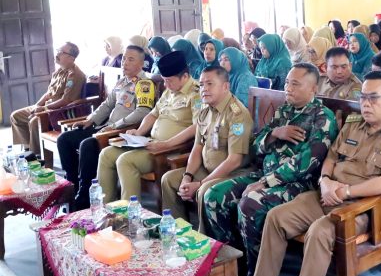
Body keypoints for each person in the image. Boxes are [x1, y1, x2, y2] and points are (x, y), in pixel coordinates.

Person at [243, 71, 381, 276]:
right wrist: (324, 181)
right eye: (363, 97)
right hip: (327, 194)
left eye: (373, 98)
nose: (366, 104)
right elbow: (331, 157)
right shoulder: (353, 125)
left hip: (360, 208)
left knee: (319, 231)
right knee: (276, 217)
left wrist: (346, 191)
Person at [203, 64, 338, 276]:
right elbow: (255, 147)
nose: (288, 88)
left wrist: (266, 182)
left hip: (298, 185)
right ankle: (237, 265)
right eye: (287, 82)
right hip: (263, 175)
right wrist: (275, 133)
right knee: (214, 195)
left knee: (251, 204)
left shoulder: (323, 118)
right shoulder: (284, 110)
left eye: (295, 84)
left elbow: (307, 163)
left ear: (313, 89)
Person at [96, 51, 200, 202]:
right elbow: (152, 115)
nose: (165, 85)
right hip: (151, 143)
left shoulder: (196, 93)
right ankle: (107, 206)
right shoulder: (170, 91)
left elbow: (197, 127)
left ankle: (129, 212)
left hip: (171, 150)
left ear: (184, 76)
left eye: (169, 81)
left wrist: (167, 144)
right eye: (164, 80)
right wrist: (139, 132)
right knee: (106, 154)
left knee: (125, 161)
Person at [59, 45, 155, 208]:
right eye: (124, 58)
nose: (125, 62)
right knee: (65, 139)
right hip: (105, 127)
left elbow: (143, 112)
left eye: (130, 59)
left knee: (87, 145)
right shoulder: (122, 81)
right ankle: (72, 185)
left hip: (121, 132)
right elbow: (107, 105)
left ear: (141, 63)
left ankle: (84, 196)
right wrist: (90, 119)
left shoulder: (145, 84)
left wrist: (115, 126)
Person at [161, 65, 254, 222]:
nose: (204, 88)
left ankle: (204, 235)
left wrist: (200, 183)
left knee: (204, 190)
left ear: (225, 86)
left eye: (210, 84)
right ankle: (177, 228)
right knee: (169, 180)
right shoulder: (205, 110)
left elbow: (235, 160)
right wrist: (187, 177)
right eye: (202, 84)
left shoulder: (237, 114)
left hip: (233, 173)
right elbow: (197, 148)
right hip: (206, 170)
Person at [11, 42, 87, 157]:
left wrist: (43, 109)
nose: (57, 54)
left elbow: (65, 101)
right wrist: (37, 106)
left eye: (61, 52)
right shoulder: (59, 71)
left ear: (71, 58)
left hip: (59, 112)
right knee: (16, 116)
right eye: (58, 51)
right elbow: (48, 93)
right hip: (47, 106)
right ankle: (27, 151)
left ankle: (37, 157)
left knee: (35, 122)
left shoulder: (75, 75)